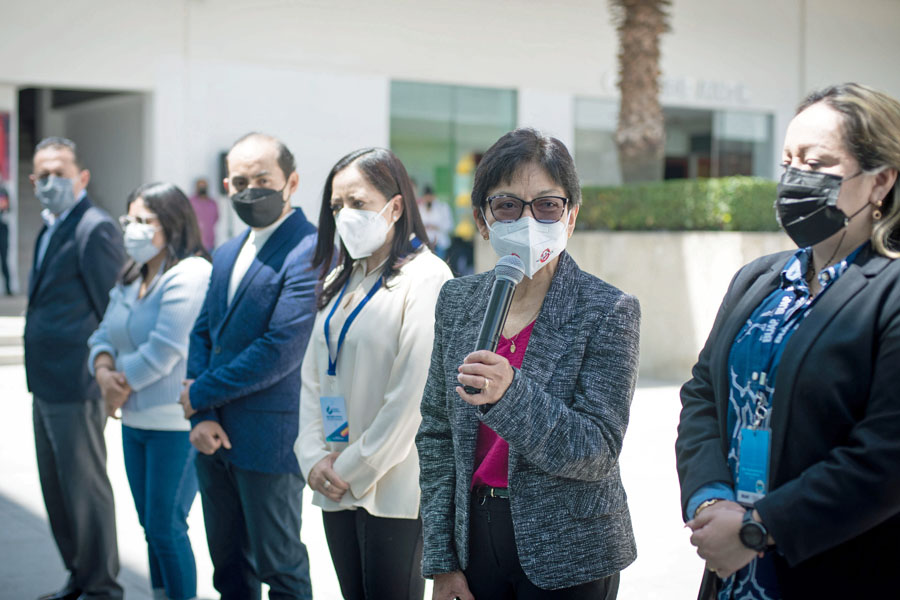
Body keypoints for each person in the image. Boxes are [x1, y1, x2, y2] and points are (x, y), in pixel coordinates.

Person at [676, 83, 900, 599]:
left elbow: (886, 456)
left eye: (817, 163)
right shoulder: (757, 280)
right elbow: (703, 395)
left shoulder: (889, 291)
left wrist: (759, 529)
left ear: (880, 180)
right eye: (788, 161)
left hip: (835, 566)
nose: (796, 178)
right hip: (733, 568)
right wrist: (710, 503)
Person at [416, 128, 640, 600]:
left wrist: (511, 394)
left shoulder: (607, 310)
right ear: (482, 220)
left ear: (571, 217)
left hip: (571, 548)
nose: (529, 219)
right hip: (475, 537)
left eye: (547, 205)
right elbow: (436, 434)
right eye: (508, 205)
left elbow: (596, 450)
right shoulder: (457, 301)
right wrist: (441, 561)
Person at [295, 148, 452, 600]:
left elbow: (412, 398)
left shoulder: (428, 278)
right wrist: (311, 458)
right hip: (331, 479)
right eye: (336, 206)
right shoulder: (338, 278)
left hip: (392, 489)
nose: (345, 216)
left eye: (357, 203)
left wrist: (351, 467)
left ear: (396, 206)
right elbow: (310, 378)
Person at [179, 132, 317, 600]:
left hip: (268, 441)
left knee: (281, 569)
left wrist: (199, 394)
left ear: (291, 182)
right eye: (240, 181)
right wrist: (201, 415)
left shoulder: (311, 250)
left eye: (263, 179)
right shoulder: (225, 251)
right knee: (229, 568)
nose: (250, 190)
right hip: (213, 436)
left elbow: (280, 349)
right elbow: (203, 333)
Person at [88, 182, 212, 600]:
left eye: (144, 221)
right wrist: (104, 373)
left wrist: (115, 385)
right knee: (149, 527)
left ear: (173, 223)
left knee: (166, 526)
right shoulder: (131, 275)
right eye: (129, 220)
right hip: (134, 421)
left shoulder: (191, 273)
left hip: (172, 424)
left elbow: (164, 349)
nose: (133, 230)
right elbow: (102, 333)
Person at [25, 137, 125, 600]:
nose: (50, 183)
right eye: (42, 175)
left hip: (77, 383)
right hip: (45, 382)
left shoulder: (93, 228)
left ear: (81, 177)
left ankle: (101, 587)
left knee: (85, 492)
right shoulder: (50, 227)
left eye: (59, 174)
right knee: (58, 492)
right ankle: (79, 579)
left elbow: (113, 306)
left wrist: (108, 374)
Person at [417, 184, 453, 258]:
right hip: (425, 244)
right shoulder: (419, 209)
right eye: (426, 197)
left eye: (429, 197)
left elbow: (449, 225)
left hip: (440, 243)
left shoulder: (442, 208)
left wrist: (436, 227)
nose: (428, 199)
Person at [189, 177, 219, 251]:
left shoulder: (212, 203)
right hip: (194, 244)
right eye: (200, 186)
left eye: (204, 186)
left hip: (210, 243)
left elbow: (216, 218)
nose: (202, 188)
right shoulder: (191, 202)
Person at [0, 180, 12, 294]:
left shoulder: (3, 190)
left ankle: (8, 288)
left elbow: (7, 207)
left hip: (2, 228)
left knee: (4, 259)